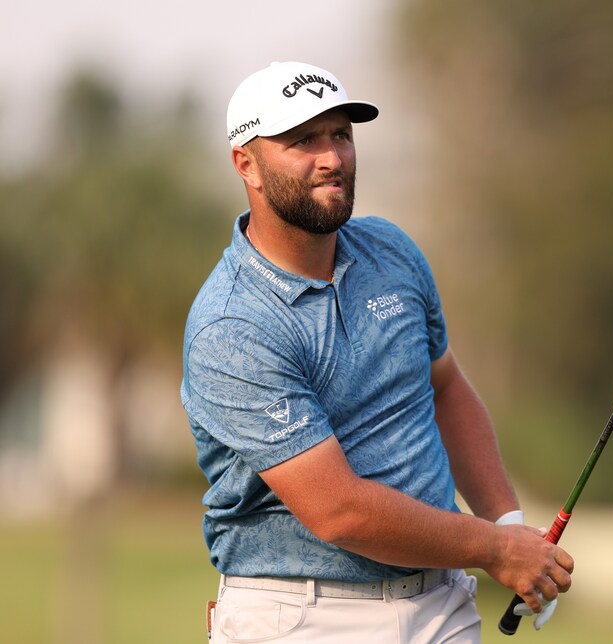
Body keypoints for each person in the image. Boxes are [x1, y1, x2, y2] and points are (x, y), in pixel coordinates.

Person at [181, 61, 574, 643]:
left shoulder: (392, 252)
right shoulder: (232, 324)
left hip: (439, 606)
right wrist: (494, 548)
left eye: (341, 134)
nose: (332, 157)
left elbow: (445, 388)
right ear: (247, 165)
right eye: (303, 141)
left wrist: (512, 528)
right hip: (302, 618)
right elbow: (338, 510)